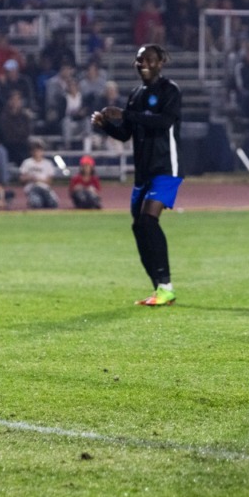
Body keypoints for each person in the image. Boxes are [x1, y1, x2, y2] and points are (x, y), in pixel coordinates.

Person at [91, 44, 183, 307]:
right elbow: (125, 133)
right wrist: (107, 124)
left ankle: (166, 285)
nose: (142, 63)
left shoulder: (170, 90)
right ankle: (160, 289)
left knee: (148, 220)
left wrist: (125, 114)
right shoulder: (135, 95)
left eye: (148, 59)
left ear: (160, 63)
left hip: (166, 167)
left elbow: (164, 122)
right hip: (143, 172)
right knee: (139, 227)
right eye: (139, 60)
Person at [18, 139, 59, 209]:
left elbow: (50, 181)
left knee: (53, 204)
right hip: (32, 188)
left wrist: (38, 180)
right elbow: (21, 179)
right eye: (35, 151)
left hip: (45, 188)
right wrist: (30, 178)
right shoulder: (27, 163)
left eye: (39, 151)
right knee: (37, 204)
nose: (37, 153)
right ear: (32, 152)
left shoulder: (48, 163)